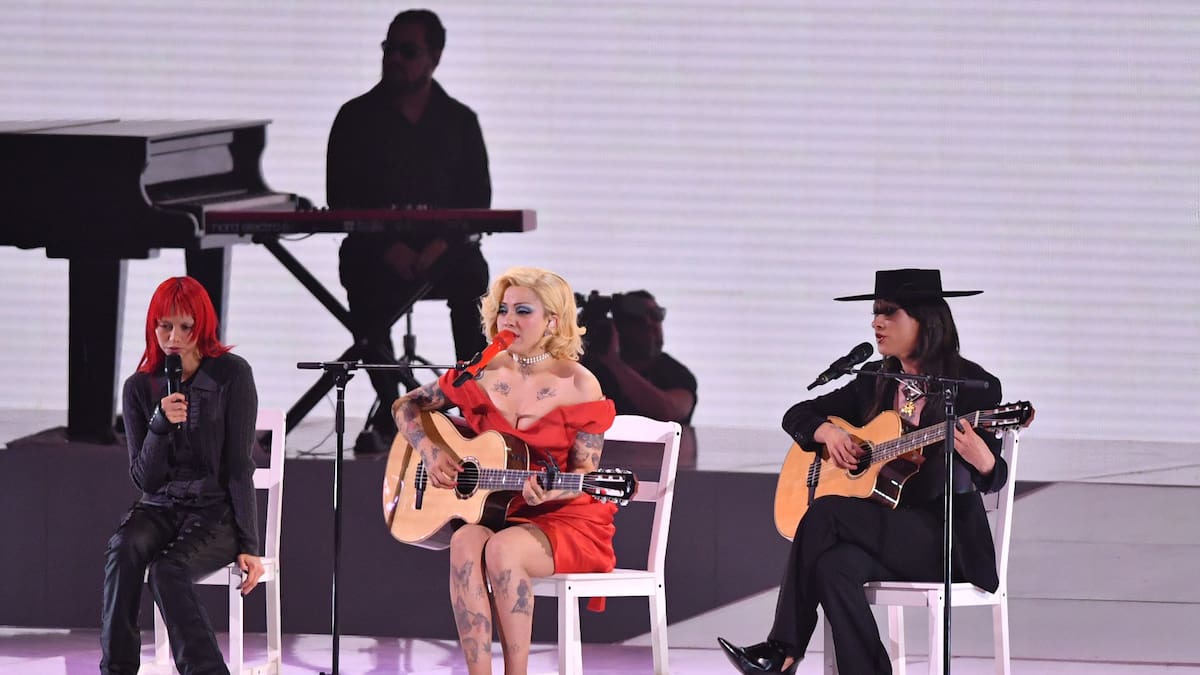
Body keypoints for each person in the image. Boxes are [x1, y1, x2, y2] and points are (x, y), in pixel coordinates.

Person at [717, 268, 1007, 674]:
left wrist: (981, 456)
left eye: (889, 313)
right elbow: (797, 414)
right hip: (884, 530)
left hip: (943, 540)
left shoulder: (974, 385)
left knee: (824, 513)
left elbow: (994, 478)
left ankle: (782, 652)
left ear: (925, 320)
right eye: (875, 313)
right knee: (832, 567)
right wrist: (828, 432)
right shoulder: (876, 378)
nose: (876, 323)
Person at [391, 266, 616, 674]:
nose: (508, 320)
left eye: (523, 311)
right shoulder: (479, 372)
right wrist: (428, 451)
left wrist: (550, 491)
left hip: (564, 517)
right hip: (500, 510)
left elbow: (583, 477)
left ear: (553, 320)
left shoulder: (580, 383)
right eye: (503, 310)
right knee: (464, 544)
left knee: (502, 549)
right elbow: (405, 406)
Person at [328, 8, 491, 454]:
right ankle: (397, 407)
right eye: (388, 48)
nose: (394, 58)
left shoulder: (460, 121)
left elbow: (478, 202)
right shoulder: (355, 118)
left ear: (434, 58)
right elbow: (341, 198)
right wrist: (387, 247)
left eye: (407, 50)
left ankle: (471, 409)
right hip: (376, 252)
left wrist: (440, 245)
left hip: (446, 253)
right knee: (360, 279)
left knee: (474, 279)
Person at [101, 276, 264, 675]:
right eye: (164, 325)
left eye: (185, 326)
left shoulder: (232, 375)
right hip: (160, 507)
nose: (173, 337)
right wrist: (159, 425)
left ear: (202, 326)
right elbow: (144, 479)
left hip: (214, 513)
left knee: (166, 570)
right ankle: (117, 669)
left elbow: (240, 465)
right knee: (123, 550)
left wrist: (250, 543)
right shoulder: (139, 388)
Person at [583, 290, 697, 425]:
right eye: (638, 320)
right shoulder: (592, 370)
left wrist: (615, 364)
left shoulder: (673, 372)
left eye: (656, 315)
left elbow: (670, 411)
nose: (651, 326)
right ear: (619, 327)